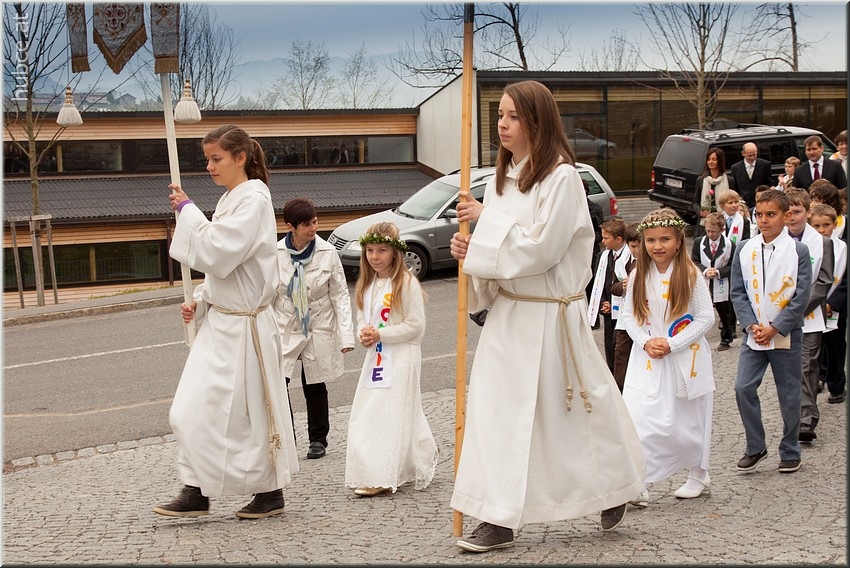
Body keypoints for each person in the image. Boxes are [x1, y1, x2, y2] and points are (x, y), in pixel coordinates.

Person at [448, 80, 646, 553]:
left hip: (551, 317)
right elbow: (495, 253)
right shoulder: (501, 181)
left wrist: (485, 226)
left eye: (514, 116)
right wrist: (469, 251)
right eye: (500, 115)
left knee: (576, 411)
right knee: (497, 414)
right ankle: (497, 515)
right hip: (509, 318)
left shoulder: (562, 178)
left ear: (538, 122)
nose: (502, 124)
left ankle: (615, 485)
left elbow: (543, 248)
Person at [154, 124, 299, 519]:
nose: (209, 166)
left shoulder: (254, 200)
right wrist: (202, 301)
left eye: (216, 158)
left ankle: (268, 491)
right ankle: (197, 488)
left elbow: (219, 251)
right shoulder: (231, 199)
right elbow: (226, 271)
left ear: (241, 157)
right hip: (223, 323)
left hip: (246, 327)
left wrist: (187, 212)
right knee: (191, 409)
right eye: (207, 159)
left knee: (249, 414)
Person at [622, 209, 716, 506]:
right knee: (640, 419)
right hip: (648, 359)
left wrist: (673, 343)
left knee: (689, 420)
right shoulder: (638, 275)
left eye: (665, 239)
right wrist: (646, 342)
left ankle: (699, 473)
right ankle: (641, 479)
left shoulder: (689, 274)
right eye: (651, 240)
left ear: (678, 242)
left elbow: (705, 317)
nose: (657, 246)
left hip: (685, 358)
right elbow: (629, 317)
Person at [345, 221, 437, 497]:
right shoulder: (368, 283)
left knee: (390, 411)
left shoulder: (406, 283)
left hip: (401, 355)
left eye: (381, 251)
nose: (375, 257)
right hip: (377, 357)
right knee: (370, 410)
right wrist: (364, 332)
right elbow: (363, 315)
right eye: (370, 251)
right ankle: (412, 455)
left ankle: (383, 475)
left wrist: (381, 334)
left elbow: (416, 327)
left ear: (395, 252)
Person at [730, 189, 811, 475]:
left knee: (789, 394)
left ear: (785, 216)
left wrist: (776, 327)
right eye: (760, 214)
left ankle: (790, 449)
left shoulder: (798, 251)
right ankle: (756, 446)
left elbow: (801, 295)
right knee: (742, 387)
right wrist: (751, 325)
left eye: (771, 215)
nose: (764, 220)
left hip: (785, 333)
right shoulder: (745, 248)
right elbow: (738, 291)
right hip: (754, 334)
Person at [274, 197, 355, 460]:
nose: (313, 228)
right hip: (286, 324)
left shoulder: (327, 252)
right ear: (290, 227)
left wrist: (346, 336)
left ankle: (318, 440)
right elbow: (268, 294)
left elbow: (340, 295)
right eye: (307, 225)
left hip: (318, 324)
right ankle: (287, 439)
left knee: (315, 382)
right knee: (279, 382)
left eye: (315, 222)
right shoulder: (276, 254)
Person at [784, 188, 834, 444]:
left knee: (807, 367)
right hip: (778, 316)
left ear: (808, 212)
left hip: (809, 315)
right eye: (788, 212)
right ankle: (800, 414)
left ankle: (805, 421)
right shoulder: (775, 240)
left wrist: (797, 309)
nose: (792, 217)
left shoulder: (822, 243)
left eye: (797, 211)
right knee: (789, 370)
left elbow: (823, 281)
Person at [809, 203, 848, 404]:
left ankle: (837, 385)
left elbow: (846, 280)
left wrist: (832, 302)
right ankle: (817, 379)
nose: (822, 230)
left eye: (826, 225)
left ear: (834, 225)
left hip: (835, 306)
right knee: (814, 346)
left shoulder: (844, 248)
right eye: (816, 226)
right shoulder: (806, 248)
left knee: (835, 346)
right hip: (812, 305)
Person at [692, 212, 737, 351]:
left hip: (721, 282)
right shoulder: (699, 242)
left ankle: (726, 337)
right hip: (704, 281)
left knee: (724, 311)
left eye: (714, 231)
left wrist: (718, 272)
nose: (710, 234)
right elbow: (694, 261)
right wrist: (705, 270)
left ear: (722, 230)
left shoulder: (729, 245)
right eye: (708, 231)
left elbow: (733, 264)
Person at [588, 218, 628, 372]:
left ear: (618, 239)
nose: (602, 241)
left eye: (606, 238)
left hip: (624, 309)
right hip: (608, 309)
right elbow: (598, 282)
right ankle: (612, 374)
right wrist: (603, 302)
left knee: (621, 349)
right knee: (610, 346)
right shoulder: (603, 256)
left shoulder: (629, 255)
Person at [611, 223, 640, 392]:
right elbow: (612, 287)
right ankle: (620, 389)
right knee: (621, 352)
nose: (636, 250)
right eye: (633, 246)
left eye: (639, 246)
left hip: (643, 316)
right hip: (625, 317)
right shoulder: (621, 262)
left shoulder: (651, 263)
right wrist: (622, 286)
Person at [693, 148, 731, 237]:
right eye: (709, 159)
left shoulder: (729, 180)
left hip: (723, 222)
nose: (710, 162)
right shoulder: (701, 180)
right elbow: (695, 202)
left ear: (720, 161)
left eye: (714, 159)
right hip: (705, 223)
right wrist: (700, 212)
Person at [728, 142, 775, 209]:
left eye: (754, 155)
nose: (752, 158)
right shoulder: (735, 168)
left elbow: (769, 183)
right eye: (749, 156)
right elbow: (734, 187)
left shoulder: (765, 165)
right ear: (743, 153)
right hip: (743, 204)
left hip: (761, 202)